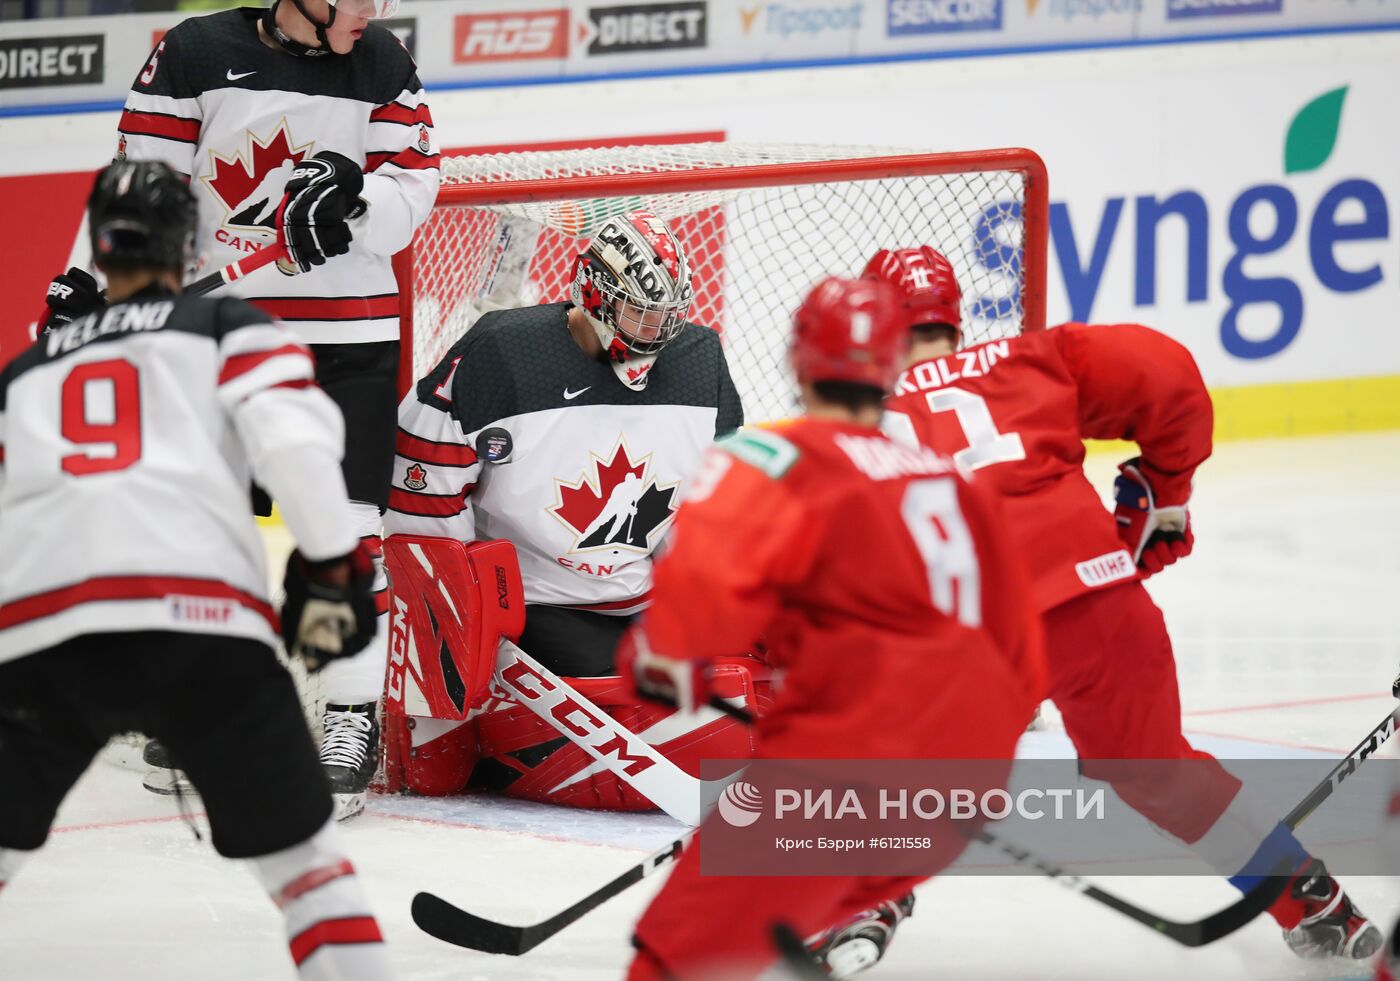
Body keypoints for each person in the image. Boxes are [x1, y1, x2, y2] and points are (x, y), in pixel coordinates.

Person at [870, 245, 1381, 961]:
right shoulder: (1037, 356)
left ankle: (865, 905)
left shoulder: (862, 421)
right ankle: (1311, 897)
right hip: (1104, 604)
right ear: (954, 314)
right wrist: (1164, 498)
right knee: (1162, 770)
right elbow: (1167, 373)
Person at [44, 0, 443, 817]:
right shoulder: (195, 51)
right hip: (218, 334)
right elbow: (141, 186)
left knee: (350, 527)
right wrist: (91, 279)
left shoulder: (384, 63)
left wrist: (355, 204)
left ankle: (349, 713)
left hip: (347, 344)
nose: (372, 9)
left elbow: (413, 187)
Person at [0, 161, 390, 979]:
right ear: (187, 244)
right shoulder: (229, 327)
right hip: (202, 630)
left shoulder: (24, 374)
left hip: (45, 637)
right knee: (311, 874)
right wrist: (331, 573)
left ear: (99, 254)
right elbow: (297, 450)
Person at [616, 276, 1044, 979]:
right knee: (797, 910)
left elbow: (704, 597)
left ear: (797, 359)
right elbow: (1023, 656)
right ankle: (850, 908)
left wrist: (659, 653)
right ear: (892, 363)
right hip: (969, 779)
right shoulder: (951, 482)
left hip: (841, 769)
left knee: (674, 958)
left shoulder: (772, 456)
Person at [380, 209, 752, 809]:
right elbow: (421, 488)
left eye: (666, 315)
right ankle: (476, 733)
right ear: (593, 295)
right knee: (683, 717)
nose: (656, 331)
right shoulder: (504, 351)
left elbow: (716, 501)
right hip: (536, 609)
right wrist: (459, 634)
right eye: (639, 312)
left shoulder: (699, 357)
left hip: (645, 600)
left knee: (778, 663)